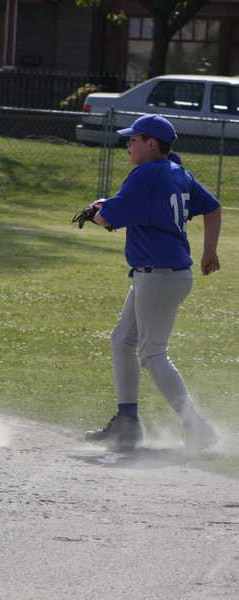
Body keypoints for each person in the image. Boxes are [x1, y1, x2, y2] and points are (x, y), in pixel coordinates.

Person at [81, 114, 222, 452]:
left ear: (151, 143)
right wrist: (210, 252)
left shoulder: (146, 174)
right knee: (122, 340)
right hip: (162, 274)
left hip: (158, 275)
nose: (128, 144)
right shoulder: (177, 171)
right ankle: (127, 422)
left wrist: (96, 210)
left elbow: (107, 217)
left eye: (134, 139)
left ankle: (196, 426)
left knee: (153, 353)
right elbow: (213, 207)